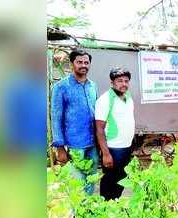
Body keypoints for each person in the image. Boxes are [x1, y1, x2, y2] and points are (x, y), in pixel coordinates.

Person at [51, 49, 99, 195]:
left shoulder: (92, 86)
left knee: (91, 182)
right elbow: (56, 117)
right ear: (72, 64)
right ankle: (77, 215)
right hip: (74, 146)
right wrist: (60, 148)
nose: (83, 65)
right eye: (79, 62)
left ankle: (87, 213)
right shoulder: (61, 87)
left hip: (93, 144)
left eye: (86, 62)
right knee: (78, 187)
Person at [95, 68, 135, 200]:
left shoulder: (128, 97)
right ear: (112, 83)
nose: (123, 84)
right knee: (110, 181)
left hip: (126, 147)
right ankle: (106, 207)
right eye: (119, 81)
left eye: (126, 81)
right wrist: (106, 154)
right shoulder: (105, 100)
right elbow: (99, 129)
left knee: (122, 178)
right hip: (113, 149)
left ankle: (115, 205)